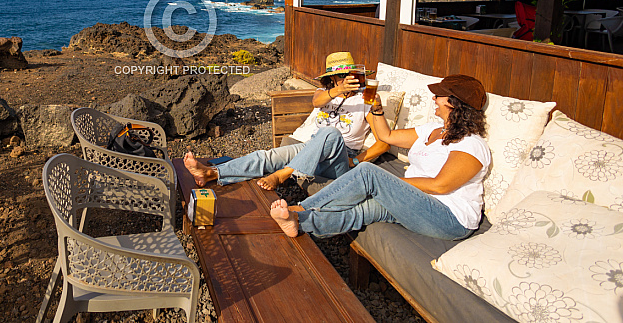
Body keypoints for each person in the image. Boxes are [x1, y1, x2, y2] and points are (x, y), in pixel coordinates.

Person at [270, 74, 490, 241]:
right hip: (416, 202)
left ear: (453, 102)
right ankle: (300, 223)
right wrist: (376, 110)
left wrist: (390, 185)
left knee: (368, 172)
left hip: (448, 217)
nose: (434, 98)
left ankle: (299, 208)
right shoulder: (431, 129)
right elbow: (387, 136)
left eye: (439, 95)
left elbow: (440, 186)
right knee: (363, 211)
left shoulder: (471, 144)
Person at [184, 51, 388, 190]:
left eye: (348, 74)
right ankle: (211, 173)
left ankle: (283, 174)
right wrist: (338, 91)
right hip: (311, 148)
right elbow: (317, 101)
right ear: (332, 79)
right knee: (266, 156)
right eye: (341, 75)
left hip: (339, 159)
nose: (345, 79)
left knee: (330, 133)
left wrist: (354, 161)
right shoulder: (324, 93)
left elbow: (383, 143)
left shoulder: (365, 99)